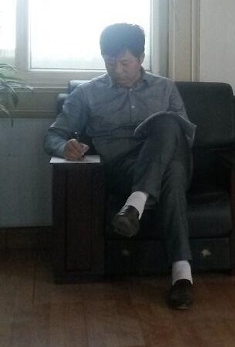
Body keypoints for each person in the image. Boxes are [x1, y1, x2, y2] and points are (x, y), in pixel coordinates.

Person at [44, 23, 196, 308]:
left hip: (170, 157)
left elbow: (185, 137)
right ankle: (182, 276)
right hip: (122, 169)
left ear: (140, 58)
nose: (117, 69)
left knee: (168, 124)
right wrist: (65, 147)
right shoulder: (87, 94)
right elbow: (53, 134)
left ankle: (135, 205)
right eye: (109, 61)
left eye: (124, 62)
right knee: (172, 174)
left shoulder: (165, 87)